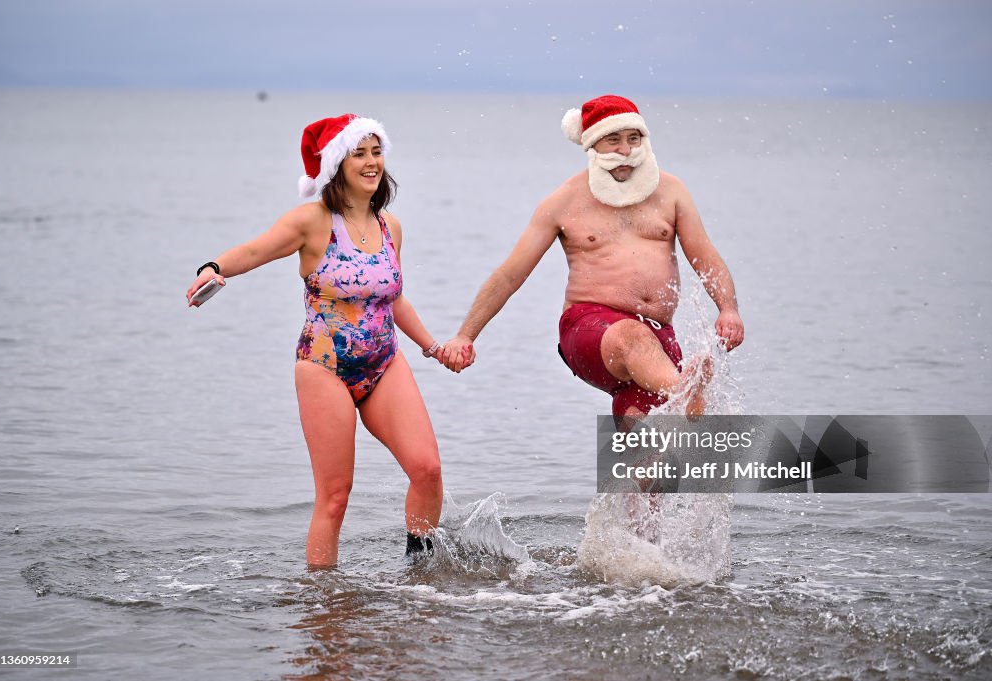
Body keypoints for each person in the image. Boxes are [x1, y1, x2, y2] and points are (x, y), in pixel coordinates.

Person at [185, 114, 447, 567]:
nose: (371, 163)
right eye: (358, 154)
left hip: (384, 364)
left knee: (427, 471)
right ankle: (323, 603)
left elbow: (393, 300)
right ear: (335, 166)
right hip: (324, 367)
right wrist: (213, 268)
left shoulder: (391, 227)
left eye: (376, 151)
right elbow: (255, 250)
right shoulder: (312, 222)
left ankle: (419, 576)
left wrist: (433, 346)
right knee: (334, 497)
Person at [441, 95, 744, 418]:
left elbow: (704, 254)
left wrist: (729, 309)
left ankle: (673, 416)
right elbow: (510, 275)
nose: (626, 150)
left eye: (634, 138)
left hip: (658, 337)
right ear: (592, 145)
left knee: (646, 450)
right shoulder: (564, 201)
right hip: (588, 329)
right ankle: (686, 394)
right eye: (613, 141)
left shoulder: (671, 192)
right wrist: (465, 335)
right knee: (632, 336)